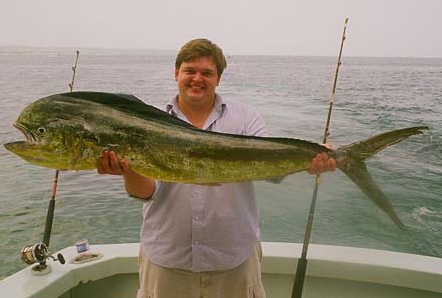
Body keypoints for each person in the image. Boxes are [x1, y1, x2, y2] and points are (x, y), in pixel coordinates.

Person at [96, 38, 336, 298]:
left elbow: (271, 164)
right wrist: (128, 169)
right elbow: (148, 193)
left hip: (233, 260)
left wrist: (310, 158)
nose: (197, 78)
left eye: (207, 73)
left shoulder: (246, 118)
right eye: (190, 70)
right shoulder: (148, 122)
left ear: (218, 79)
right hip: (168, 261)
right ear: (176, 73)